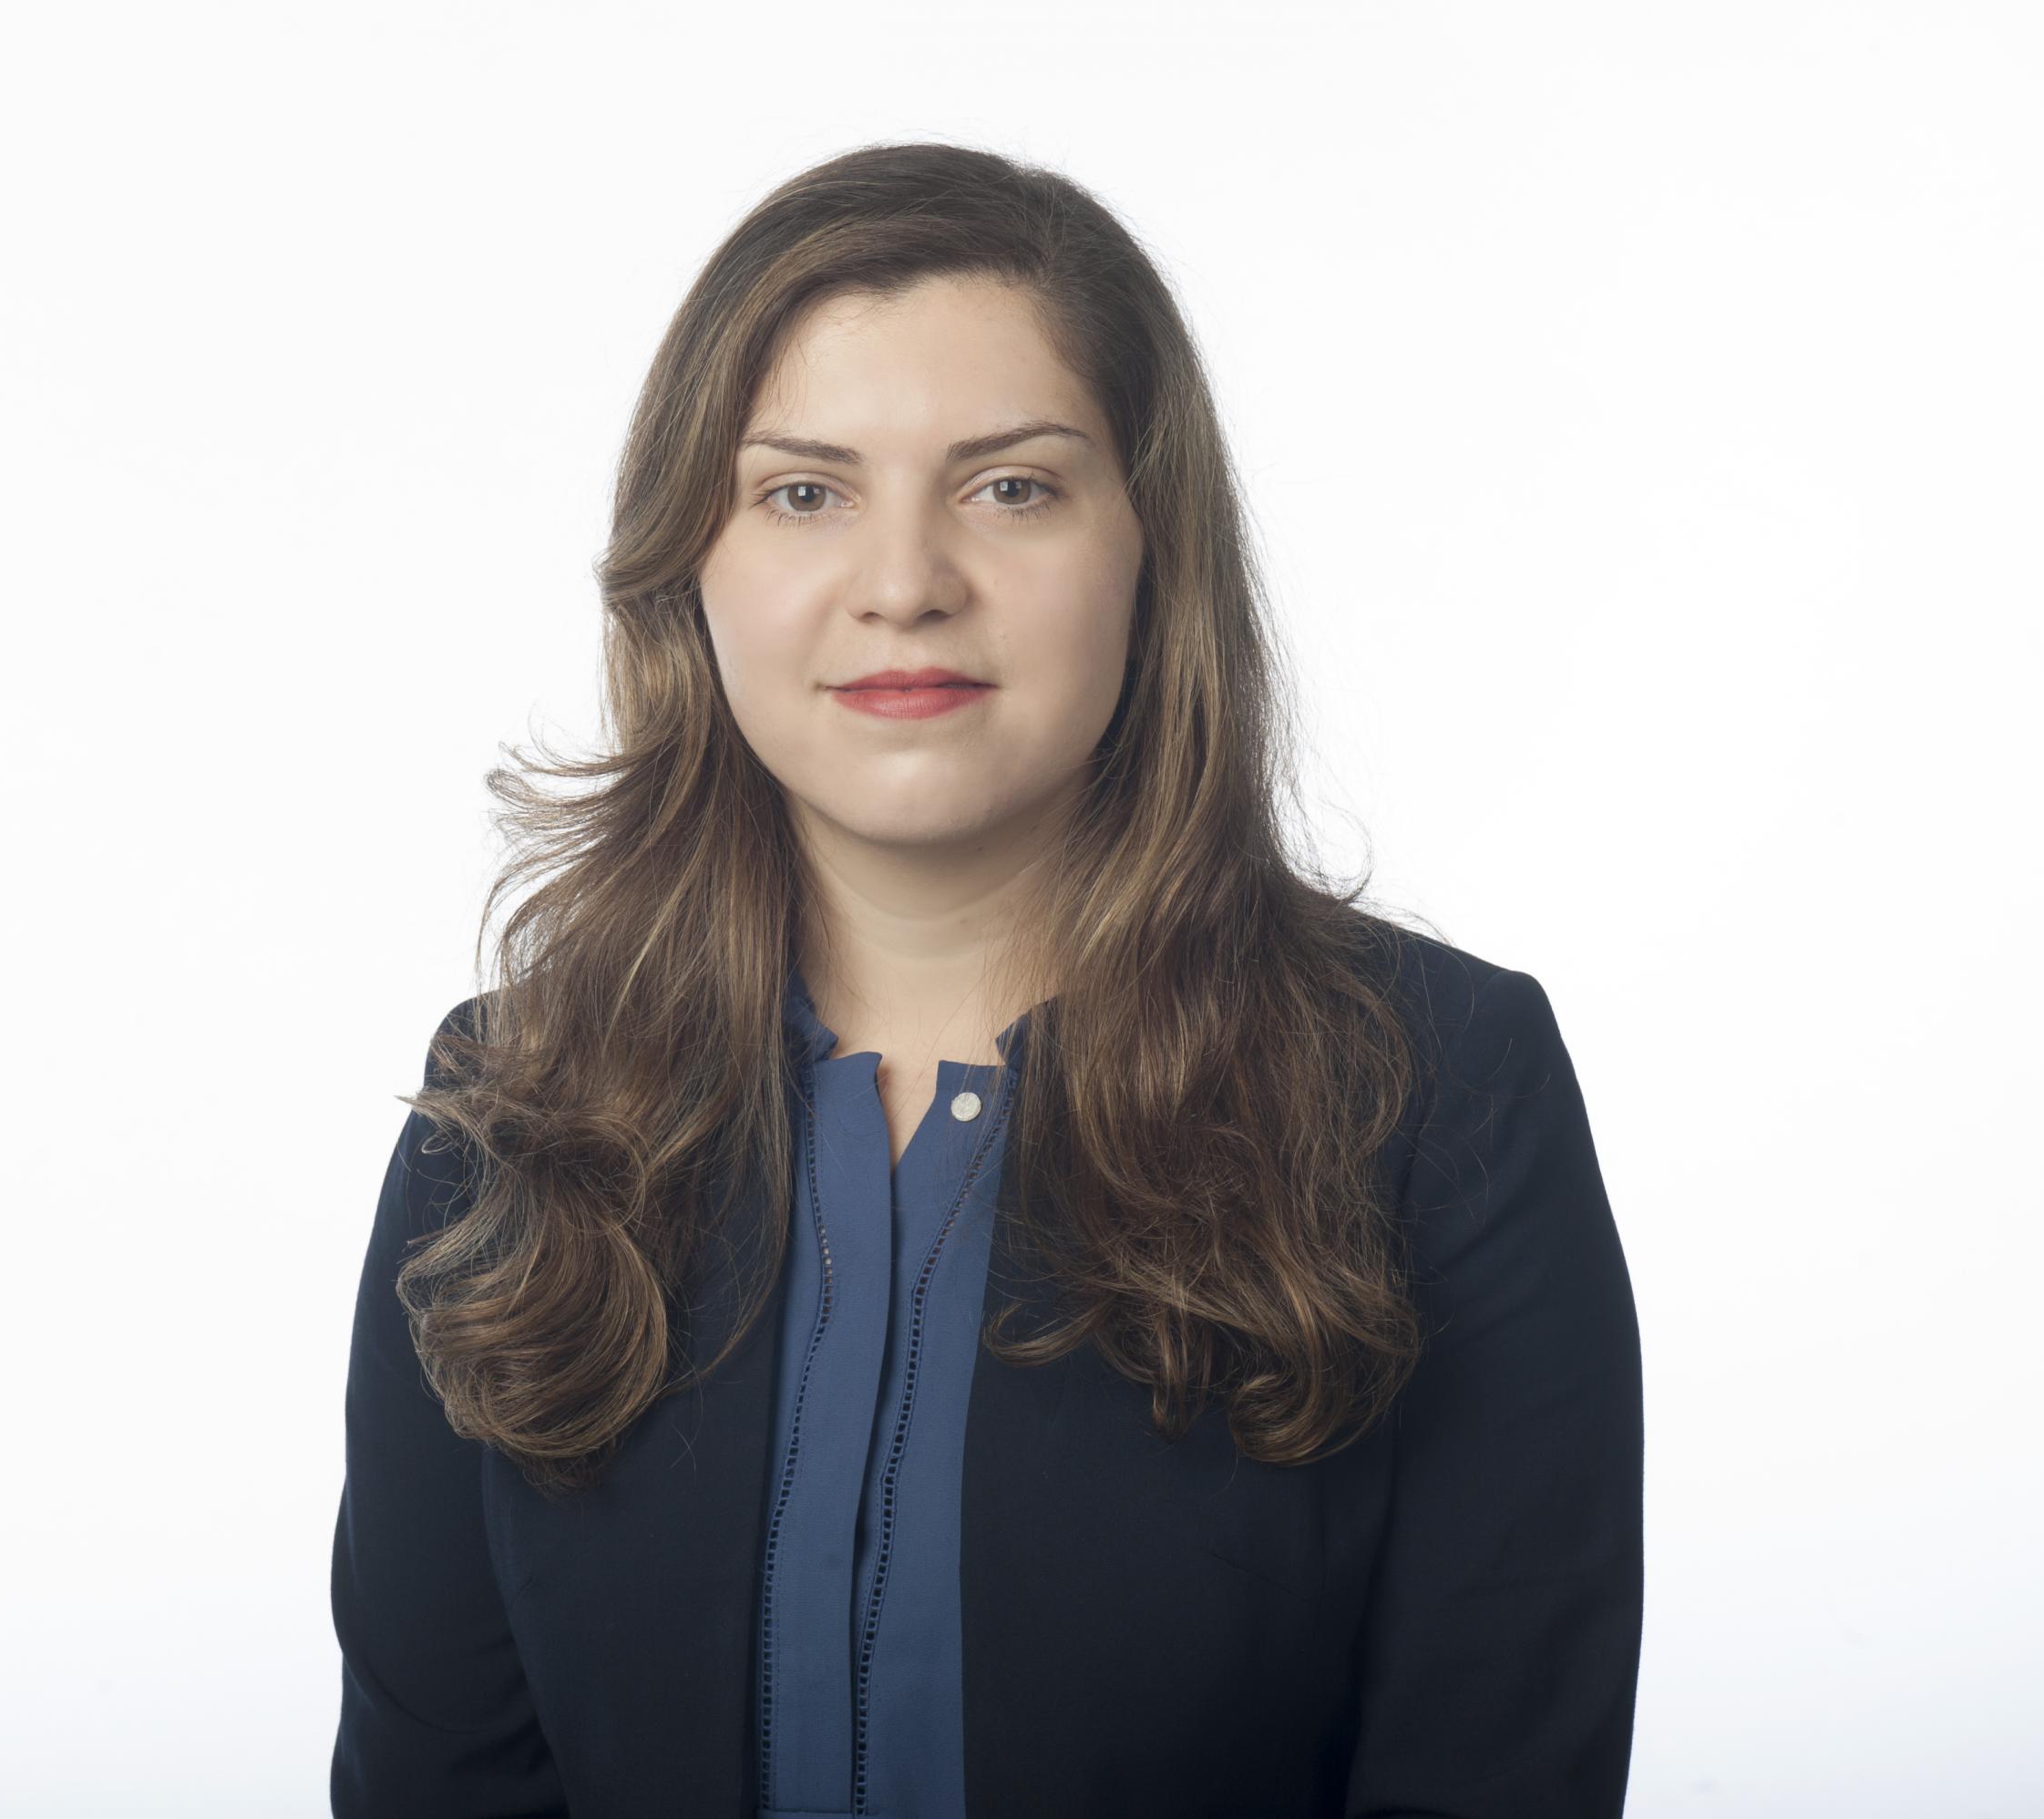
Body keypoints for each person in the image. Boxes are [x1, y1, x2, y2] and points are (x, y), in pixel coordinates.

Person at [330, 140, 1642, 1819]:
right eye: (804, 493)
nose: (904, 586)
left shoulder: (1438, 1098)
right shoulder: (510, 1118)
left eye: (1011, 487)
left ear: (1152, 548)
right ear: (687, 563)